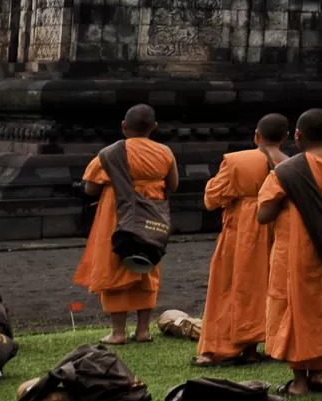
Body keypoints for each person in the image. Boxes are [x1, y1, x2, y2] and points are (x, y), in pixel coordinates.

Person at [256, 110, 322, 396]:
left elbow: (263, 215)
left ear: (297, 136)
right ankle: (317, 374)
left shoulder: (286, 172)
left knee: (292, 308)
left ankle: (299, 381)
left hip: (294, 253)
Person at [75, 106, 177, 344]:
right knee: (147, 265)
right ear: (154, 128)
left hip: (117, 213)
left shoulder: (109, 153)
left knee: (114, 265)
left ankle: (118, 332)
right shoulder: (165, 152)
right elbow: (172, 185)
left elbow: (90, 188)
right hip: (152, 215)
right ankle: (143, 331)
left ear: (123, 126)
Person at [195, 115, 287, 365]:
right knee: (266, 286)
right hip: (279, 230)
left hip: (244, 231)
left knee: (231, 286)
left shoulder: (239, 161)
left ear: (257, 135)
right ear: (286, 137)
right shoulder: (291, 164)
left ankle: (223, 348)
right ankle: (253, 347)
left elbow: (212, 198)